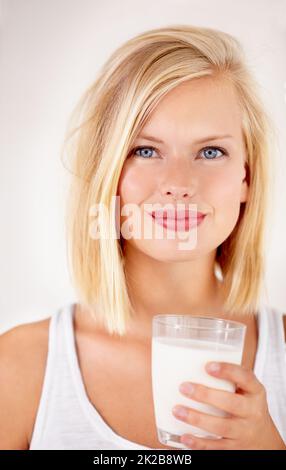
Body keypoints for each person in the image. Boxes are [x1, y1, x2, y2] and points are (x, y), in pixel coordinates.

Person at [0, 24, 285, 451]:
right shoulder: (20, 367)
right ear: (108, 172)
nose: (178, 183)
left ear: (247, 177)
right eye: (146, 150)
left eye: (211, 152)